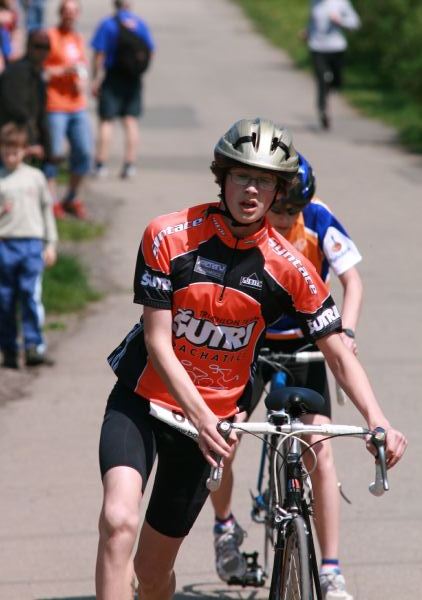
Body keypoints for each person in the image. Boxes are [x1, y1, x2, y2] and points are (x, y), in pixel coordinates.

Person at [95, 117, 406, 600]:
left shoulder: (291, 267)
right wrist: (201, 417)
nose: (252, 189)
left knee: (153, 574)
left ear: (279, 190)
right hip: (143, 401)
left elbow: (338, 353)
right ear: (222, 177)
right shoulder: (168, 235)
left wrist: (377, 418)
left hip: (209, 427)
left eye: (264, 180)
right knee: (118, 521)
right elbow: (157, 342)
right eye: (242, 175)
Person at [210, 153, 363, 599]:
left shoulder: (318, 220)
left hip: (305, 342)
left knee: (320, 449)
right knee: (225, 439)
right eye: (278, 209)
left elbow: (353, 282)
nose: (283, 218)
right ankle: (224, 527)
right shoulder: (246, 224)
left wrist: (347, 332)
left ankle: (330, 568)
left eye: (293, 210)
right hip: (253, 341)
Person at [0, 122, 57, 369]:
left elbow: (47, 212)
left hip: (32, 244)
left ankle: (34, 346)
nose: (11, 156)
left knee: (29, 295)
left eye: (16, 151)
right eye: (6, 151)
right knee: (4, 299)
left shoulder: (35, 177)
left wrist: (50, 244)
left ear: (24, 150)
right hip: (5, 245)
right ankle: (9, 349)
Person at [90, 0, 154, 179]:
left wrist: (96, 78)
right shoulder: (140, 23)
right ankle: (129, 164)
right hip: (133, 79)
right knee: (131, 120)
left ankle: (101, 164)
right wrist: (139, 69)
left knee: (106, 121)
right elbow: (151, 50)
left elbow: (99, 53)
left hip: (113, 77)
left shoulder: (107, 24)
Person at [43, 0, 92, 219]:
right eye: (66, 11)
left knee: (84, 152)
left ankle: (72, 197)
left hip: (77, 105)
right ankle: (51, 201)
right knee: (54, 154)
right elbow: (42, 71)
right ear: (60, 13)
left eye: (74, 11)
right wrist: (65, 69)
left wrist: (82, 81)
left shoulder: (77, 38)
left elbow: (82, 66)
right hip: (55, 105)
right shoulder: (50, 36)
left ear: (78, 14)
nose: (70, 15)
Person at [0, 29, 51, 164]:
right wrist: (31, 143)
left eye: (46, 47)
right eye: (38, 46)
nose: (42, 51)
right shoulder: (16, 71)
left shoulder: (38, 73)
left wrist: (47, 149)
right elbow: (18, 112)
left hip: (27, 143)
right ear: (28, 47)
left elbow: (40, 114)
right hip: (11, 142)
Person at [307, 0, 360, 129]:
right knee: (321, 78)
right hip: (317, 47)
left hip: (336, 48)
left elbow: (355, 23)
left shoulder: (341, 2)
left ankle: (328, 90)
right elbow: (313, 22)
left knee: (337, 81)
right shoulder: (314, 2)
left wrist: (340, 21)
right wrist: (307, 31)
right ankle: (322, 108)